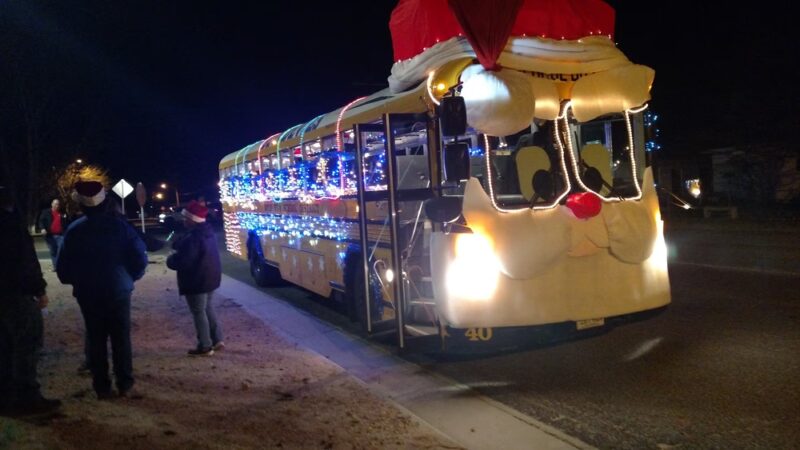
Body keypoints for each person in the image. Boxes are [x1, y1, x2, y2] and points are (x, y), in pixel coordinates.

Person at [56, 181, 148, 399]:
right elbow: (139, 258)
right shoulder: (121, 227)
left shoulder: (74, 230)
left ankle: (102, 387)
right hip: (118, 290)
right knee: (121, 337)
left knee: (96, 338)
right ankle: (125, 383)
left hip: (88, 293)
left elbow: (63, 268)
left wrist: (77, 281)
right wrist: (129, 278)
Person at [0, 185, 62, 416]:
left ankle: (5, 395)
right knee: (27, 343)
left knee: (5, 345)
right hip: (17, 293)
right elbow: (24, 260)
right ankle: (27, 396)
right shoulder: (11, 225)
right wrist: (39, 289)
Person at [166, 200, 223, 356]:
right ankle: (217, 339)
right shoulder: (206, 232)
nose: (184, 220)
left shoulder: (194, 237)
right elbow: (191, 248)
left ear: (193, 220)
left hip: (196, 279)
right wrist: (179, 245)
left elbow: (185, 260)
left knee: (199, 312)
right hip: (210, 277)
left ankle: (205, 346)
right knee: (207, 308)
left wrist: (171, 260)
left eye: (186, 218)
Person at [38, 198, 68, 268]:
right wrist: (42, 229)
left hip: (60, 235)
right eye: (55, 204)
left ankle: (60, 265)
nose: (57, 206)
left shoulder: (62, 213)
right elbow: (41, 221)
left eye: (58, 204)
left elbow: (66, 223)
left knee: (61, 250)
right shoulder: (46, 212)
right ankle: (56, 266)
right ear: (52, 204)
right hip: (50, 236)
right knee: (53, 251)